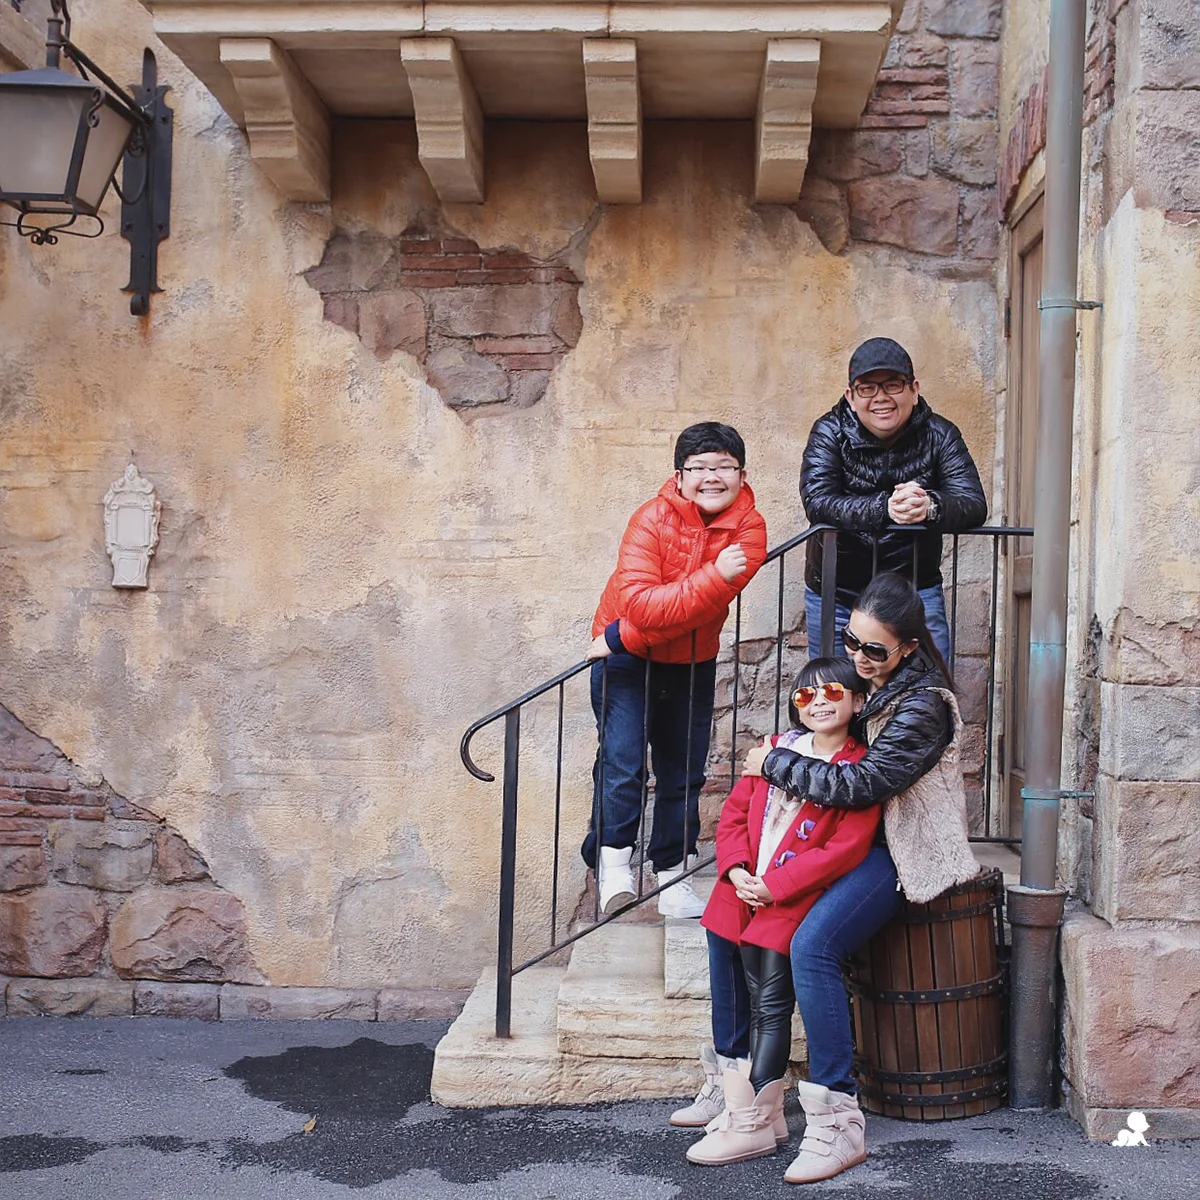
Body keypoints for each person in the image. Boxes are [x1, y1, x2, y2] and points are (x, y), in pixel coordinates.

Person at [742, 572, 980, 1185]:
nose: (858, 657)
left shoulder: (923, 703)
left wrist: (774, 762)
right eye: (852, 642)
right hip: (848, 840)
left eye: (874, 649)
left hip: (898, 852)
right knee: (736, 915)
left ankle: (838, 1121)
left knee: (812, 946)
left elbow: (865, 784)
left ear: (909, 646)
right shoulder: (870, 684)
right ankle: (742, 1092)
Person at [678, 658, 878, 1167]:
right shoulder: (773, 750)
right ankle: (731, 1091)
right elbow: (734, 814)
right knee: (728, 990)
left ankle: (757, 1118)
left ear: (857, 700)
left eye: (833, 692)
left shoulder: (859, 770)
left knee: (770, 1003)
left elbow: (844, 849)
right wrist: (734, 869)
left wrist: (776, 886)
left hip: (788, 895)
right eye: (806, 695)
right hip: (740, 887)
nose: (819, 702)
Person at [581, 423, 768, 918]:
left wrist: (619, 635)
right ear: (680, 477)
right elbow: (641, 604)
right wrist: (712, 578)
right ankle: (614, 869)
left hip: (686, 661)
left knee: (682, 774)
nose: (712, 477)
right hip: (627, 665)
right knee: (622, 764)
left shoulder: (750, 530)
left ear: (742, 474)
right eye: (699, 467)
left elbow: (698, 610)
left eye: (724, 466)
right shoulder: (650, 518)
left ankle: (672, 877)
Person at [801, 337, 988, 662]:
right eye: (867, 388)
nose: (881, 397)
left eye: (893, 385)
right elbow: (817, 500)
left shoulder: (940, 434)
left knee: (929, 685)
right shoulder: (829, 431)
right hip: (838, 591)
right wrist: (885, 508)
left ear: (914, 391)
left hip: (915, 589)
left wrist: (930, 506)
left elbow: (973, 502)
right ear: (851, 396)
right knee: (835, 687)